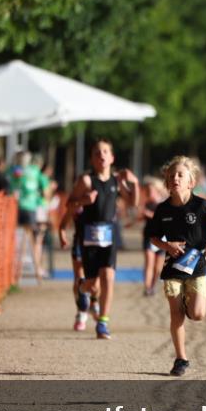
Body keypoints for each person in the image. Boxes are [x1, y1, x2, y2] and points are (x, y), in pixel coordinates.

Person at [149, 157, 206, 377]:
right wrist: (167, 245)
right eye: (171, 175)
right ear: (167, 182)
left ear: (191, 182)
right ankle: (181, 359)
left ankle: (188, 303)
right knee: (176, 315)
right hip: (172, 268)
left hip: (197, 268)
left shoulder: (202, 206)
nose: (175, 178)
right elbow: (153, 237)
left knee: (198, 314)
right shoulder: (162, 209)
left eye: (180, 175)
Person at [59, 138, 138, 339]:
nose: (101, 155)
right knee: (93, 286)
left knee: (108, 277)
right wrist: (83, 201)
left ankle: (103, 322)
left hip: (109, 236)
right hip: (89, 237)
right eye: (97, 153)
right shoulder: (86, 181)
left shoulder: (117, 181)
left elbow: (132, 203)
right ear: (92, 159)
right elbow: (69, 205)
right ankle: (82, 287)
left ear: (112, 158)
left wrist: (135, 183)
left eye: (105, 152)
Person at [9, 150, 48, 283]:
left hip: (19, 207)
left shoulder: (17, 170)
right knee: (33, 241)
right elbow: (44, 187)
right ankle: (36, 271)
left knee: (22, 240)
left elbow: (13, 179)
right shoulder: (34, 171)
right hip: (30, 208)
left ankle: (19, 273)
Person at [138, 176, 167, 297]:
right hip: (149, 236)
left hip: (162, 237)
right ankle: (147, 288)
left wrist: (149, 214)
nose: (149, 192)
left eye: (150, 190)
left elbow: (164, 218)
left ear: (156, 190)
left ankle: (153, 286)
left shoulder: (164, 204)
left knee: (158, 267)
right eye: (147, 190)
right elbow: (140, 218)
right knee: (149, 263)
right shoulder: (146, 204)